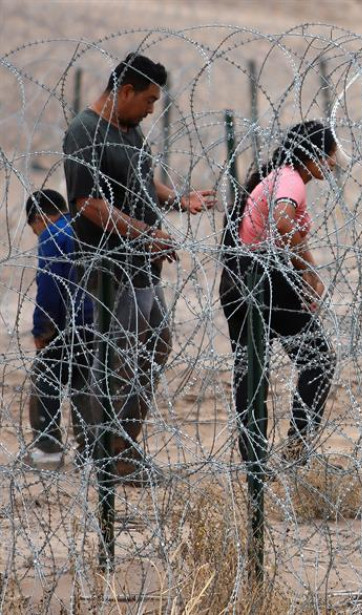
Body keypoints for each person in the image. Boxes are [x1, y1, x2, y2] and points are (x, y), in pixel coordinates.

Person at [63, 53, 215, 482]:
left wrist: (178, 200)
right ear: (124, 90)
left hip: (142, 266)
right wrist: (144, 234)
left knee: (154, 347)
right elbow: (89, 204)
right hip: (110, 267)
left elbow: (141, 180)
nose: (152, 108)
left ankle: (120, 446)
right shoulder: (84, 133)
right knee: (116, 357)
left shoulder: (129, 130)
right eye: (148, 99)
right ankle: (106, 455)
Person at [219, 120, 338, 471]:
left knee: (251, 370)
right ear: (314, 156)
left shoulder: (275, 176)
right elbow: (283, 221)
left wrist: (306, 270)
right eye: (329, 156)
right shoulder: (290, 180)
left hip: (238, 279)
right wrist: (301, 268)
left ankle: (254, 460)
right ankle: (296, 448)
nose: (331, 164)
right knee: (318, 361)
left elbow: (278, 228)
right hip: (266, 277)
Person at [24, 189, 94, 469]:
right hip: (96, 321)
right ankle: (90, 453)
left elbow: (50, 290)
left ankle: (47, 450)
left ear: (39, 218)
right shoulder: (80, 227)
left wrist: (43, 330)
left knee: (46, 380)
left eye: (34, 228)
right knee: (84, 384)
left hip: (70, 323)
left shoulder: (52, 235)